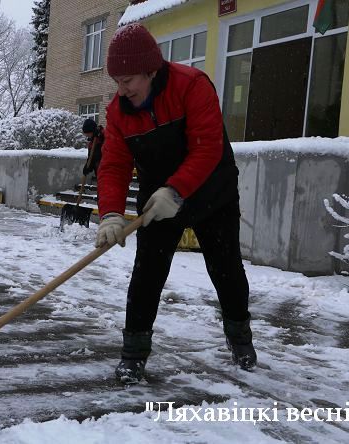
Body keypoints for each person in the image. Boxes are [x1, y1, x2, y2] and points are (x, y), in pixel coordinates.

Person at [95, 23, 257, 384]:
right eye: (117, 81)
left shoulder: (192, 85)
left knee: (226, 269)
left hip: (213, 190)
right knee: (147, 273)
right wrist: (111, 214)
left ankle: (240, 339)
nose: (122, 90)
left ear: (151, 70)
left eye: (128, 80)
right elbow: (114, 164)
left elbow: (207, 147)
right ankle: (133, 354)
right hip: (158, 199)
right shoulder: (119, 112)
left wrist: (177, 190)